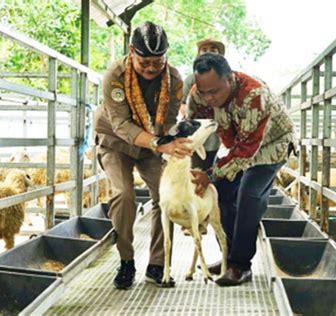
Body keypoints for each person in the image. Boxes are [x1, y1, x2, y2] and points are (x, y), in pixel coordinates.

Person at [93, 21, 191, 290]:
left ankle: (158, 264)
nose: (151, 68)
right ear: (131, 52)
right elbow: (121, 125)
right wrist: (160, 144)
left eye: (157, 62)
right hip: (115, 141)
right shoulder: (115, 74)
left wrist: (177, 138)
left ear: (166, 57)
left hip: (153, 144)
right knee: (124, 195)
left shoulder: (175, 80)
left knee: (166, 196)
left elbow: (169, 120)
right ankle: (126, 260)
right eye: (145, 61)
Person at [189, 53, 295, 286]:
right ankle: (228, 256)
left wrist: (209, 175)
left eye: (214, 91)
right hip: (236, 143)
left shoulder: (254, 95)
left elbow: (247, 151)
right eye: (203, 91)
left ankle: (241, 266)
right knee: (222, 193)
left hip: (270, 145)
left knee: (249, 194)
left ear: (230, 79)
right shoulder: (199, 95)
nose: (208, 98)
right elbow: (194, 128)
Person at [182, 39, 225, 171]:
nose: (208, 52)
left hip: (217, 129)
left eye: (213, 49)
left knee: (211, 164)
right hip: (197, 130)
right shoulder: (191, 80)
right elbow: (183, 104)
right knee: (196, 166)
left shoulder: (226, 79)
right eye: (204, 50)